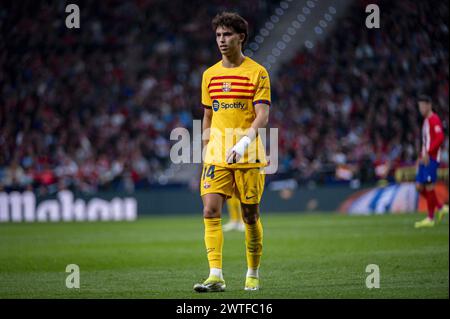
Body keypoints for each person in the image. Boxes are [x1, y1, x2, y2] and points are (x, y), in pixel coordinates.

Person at [194, 12, 271, 292]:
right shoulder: (209, 75)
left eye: (227, 34)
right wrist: (205, 149)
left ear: (241, 37)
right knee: (210, 210)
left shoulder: (257, 72)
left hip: (248, 155)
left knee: (250, 215)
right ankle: (216, 275)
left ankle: (253, 272)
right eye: (218, 35)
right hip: (217, 155)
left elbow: (262, 116)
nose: (222, 40)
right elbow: (207, 116)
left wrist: (241, 145)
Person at [414, 95, 448, 228]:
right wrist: (421, 155)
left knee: (429, 185)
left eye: (423, 105)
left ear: (429, 105)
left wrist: (428, 152)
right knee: (419, 186)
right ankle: (440, 207)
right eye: (419, 106)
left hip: (431, 158)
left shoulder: (434, 119)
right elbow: (425, 142)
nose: (421, 108)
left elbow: (440, 138)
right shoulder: (426, 121)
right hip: (425, 158)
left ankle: (430, 218)